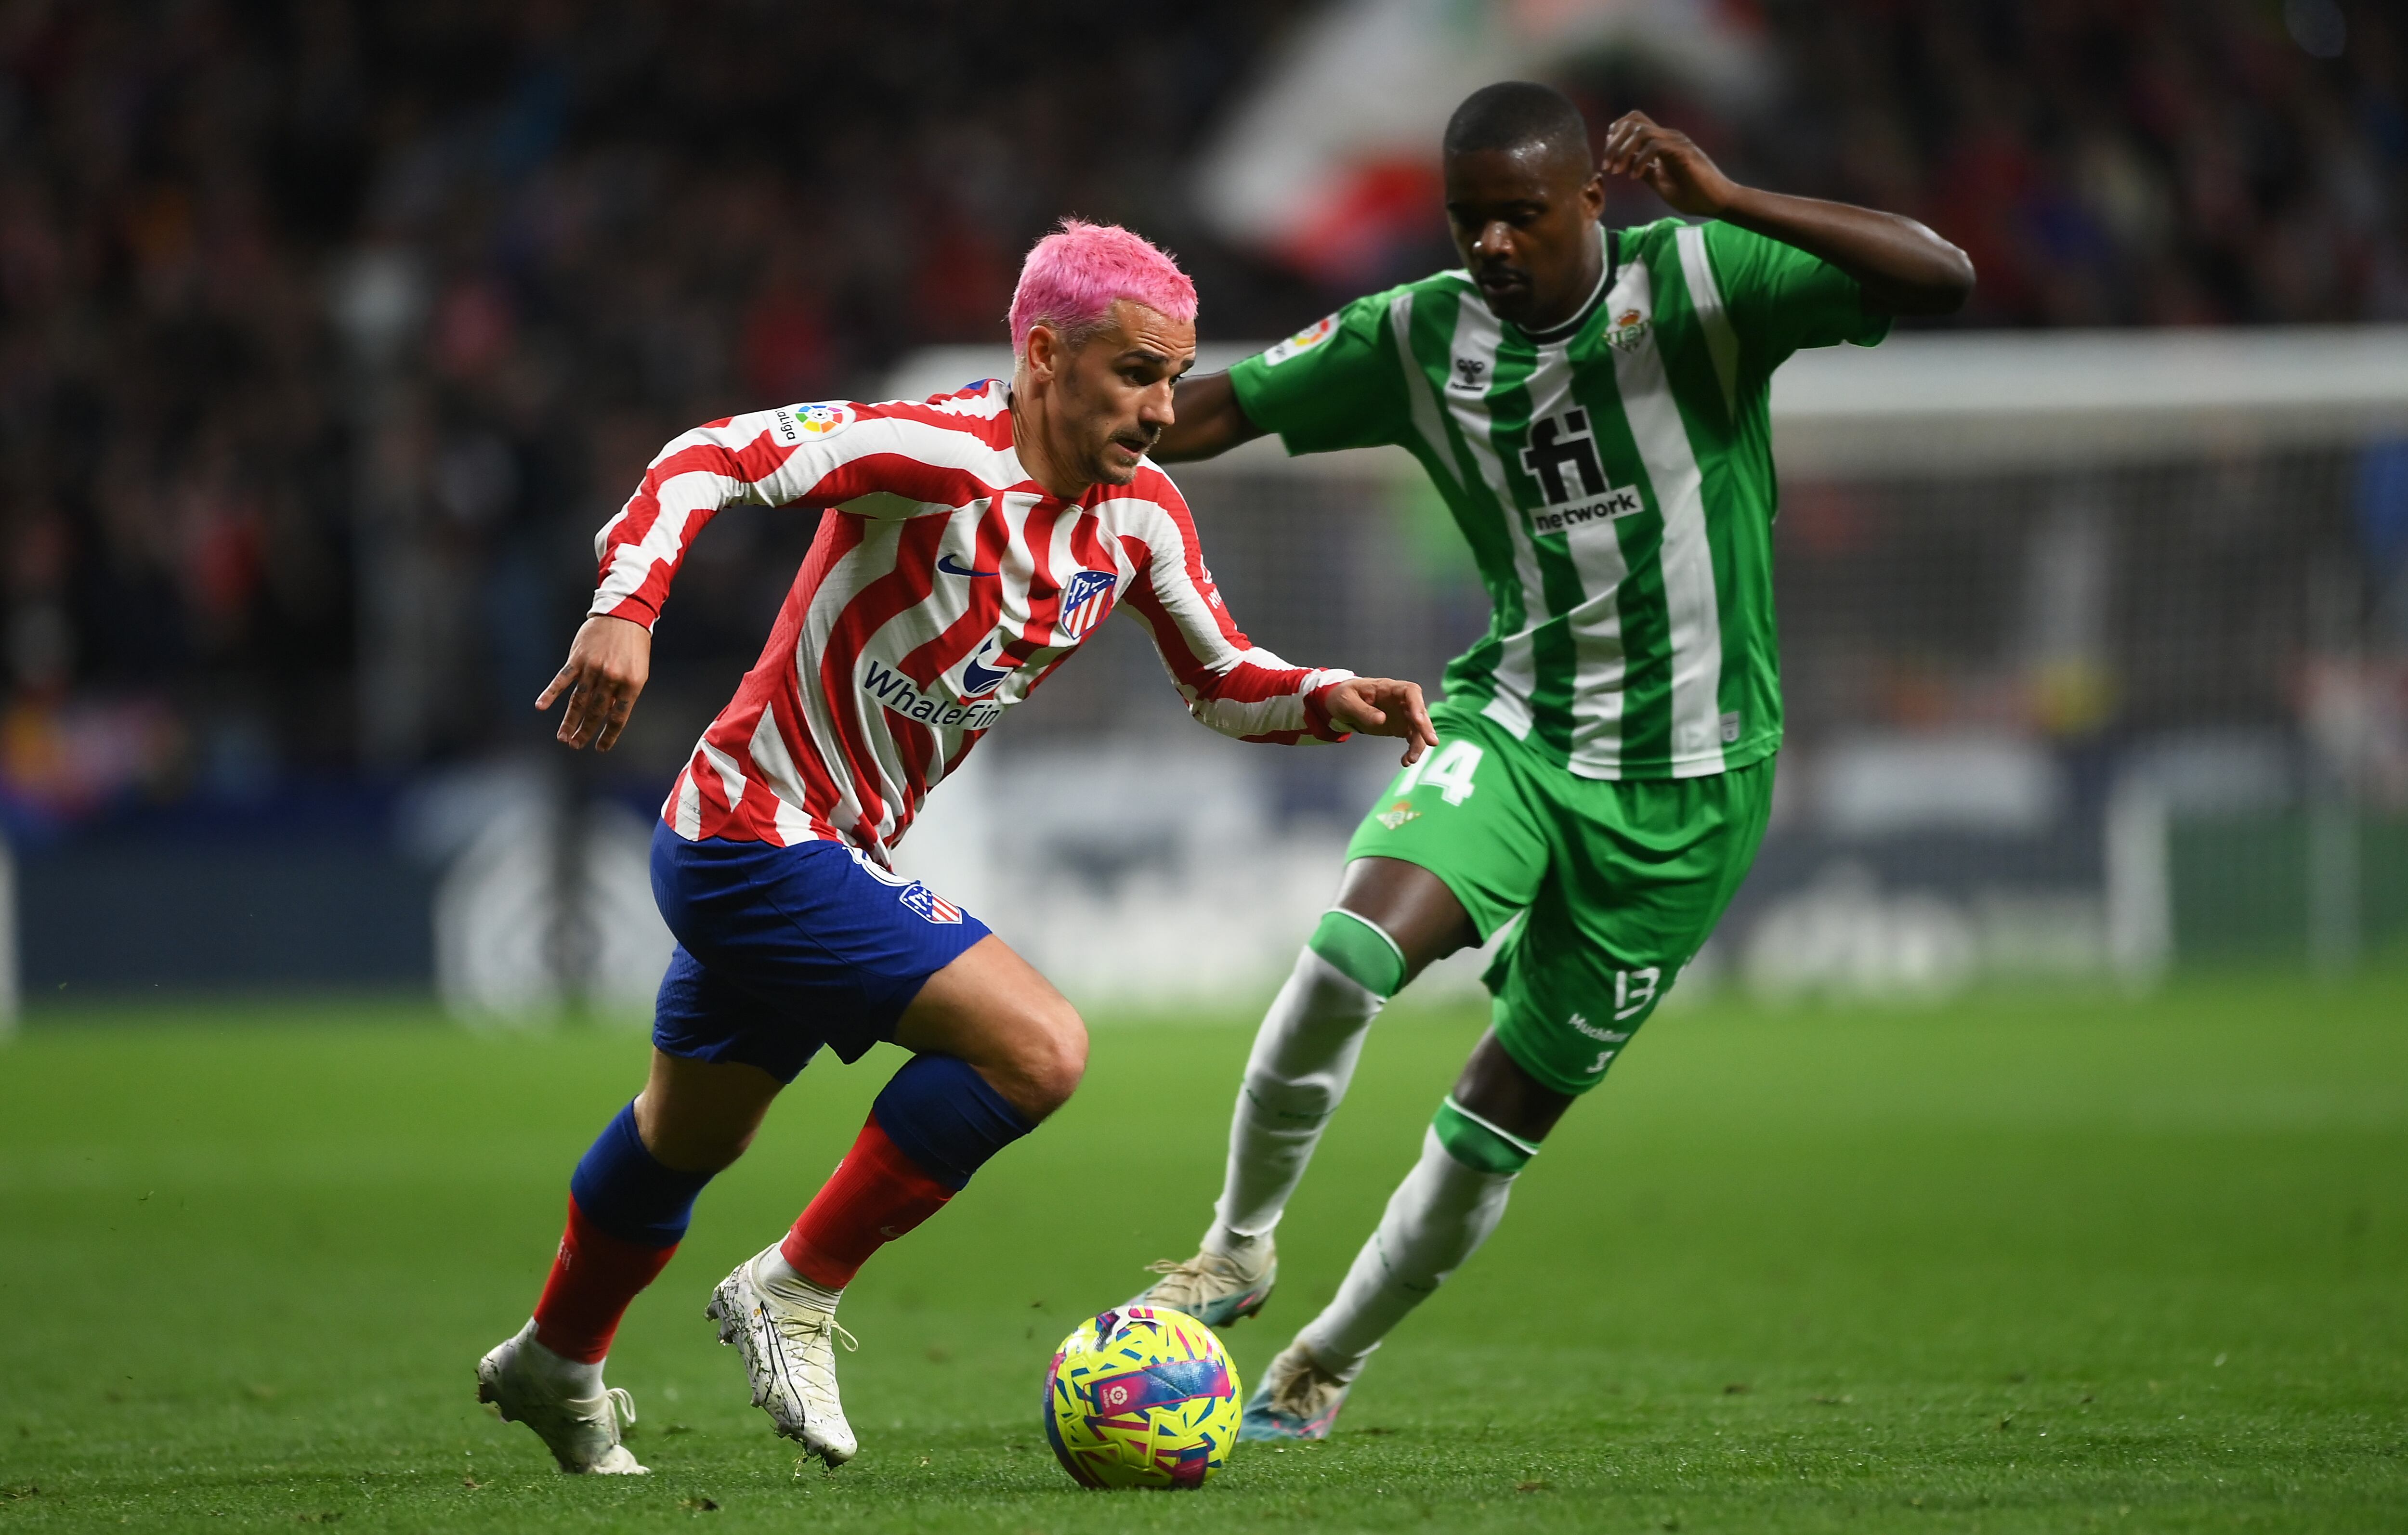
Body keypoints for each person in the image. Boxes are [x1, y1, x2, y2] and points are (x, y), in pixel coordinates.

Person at [474, 219, 1436, 1476]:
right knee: (1040, 1049)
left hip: (834, 846)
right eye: (1137, 372)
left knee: (684, 1135)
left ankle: (555, 1357)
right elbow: (708, 456)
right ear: (1045, 352)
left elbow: (1218, 678)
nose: (1163, 406)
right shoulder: (934, 454)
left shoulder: (1140, 519)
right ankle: (795, 1287)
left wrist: (1327, 696)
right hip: (753, 831)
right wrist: (627, 607)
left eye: (1173, 376)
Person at [1126, 82, 1974, 1440]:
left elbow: (1943, 277)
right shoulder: (1419, 335)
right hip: (1517, 726)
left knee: (1490, 1123)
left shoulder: (1701, 279)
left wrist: (1735, 198)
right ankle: (1237, 1243)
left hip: (1691, 794)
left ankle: (1325, 1361)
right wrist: (1036, 432)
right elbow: (1216, 410)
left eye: (1522, 216)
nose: (1494, 247)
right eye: (1471, 221)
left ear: (1592, 198)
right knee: (1348, 954)